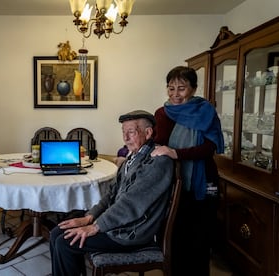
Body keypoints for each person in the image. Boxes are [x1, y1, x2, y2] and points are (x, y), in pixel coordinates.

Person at [50, 110, 174, 276]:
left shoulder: (158, 161)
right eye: (123, 132)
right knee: (56, 232)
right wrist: (90, 216)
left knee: (65, 242)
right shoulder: (132, 158)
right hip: (119, 222)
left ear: (148, 132)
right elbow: (110, 194)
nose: (125, 138)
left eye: (131, 132)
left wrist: (95, 226)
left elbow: (130, 204)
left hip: (131, 231)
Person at [151, 66, 224, 276]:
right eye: (171, 88)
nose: (175, 94)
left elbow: (210, 147)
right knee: (176, 230)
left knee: (202, 232)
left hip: (205, 180)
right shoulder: (162, 113)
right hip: (174, 180)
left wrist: (176, 153)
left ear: (193, 89)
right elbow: (156, 144)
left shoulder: (206, 111)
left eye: (181, 88)